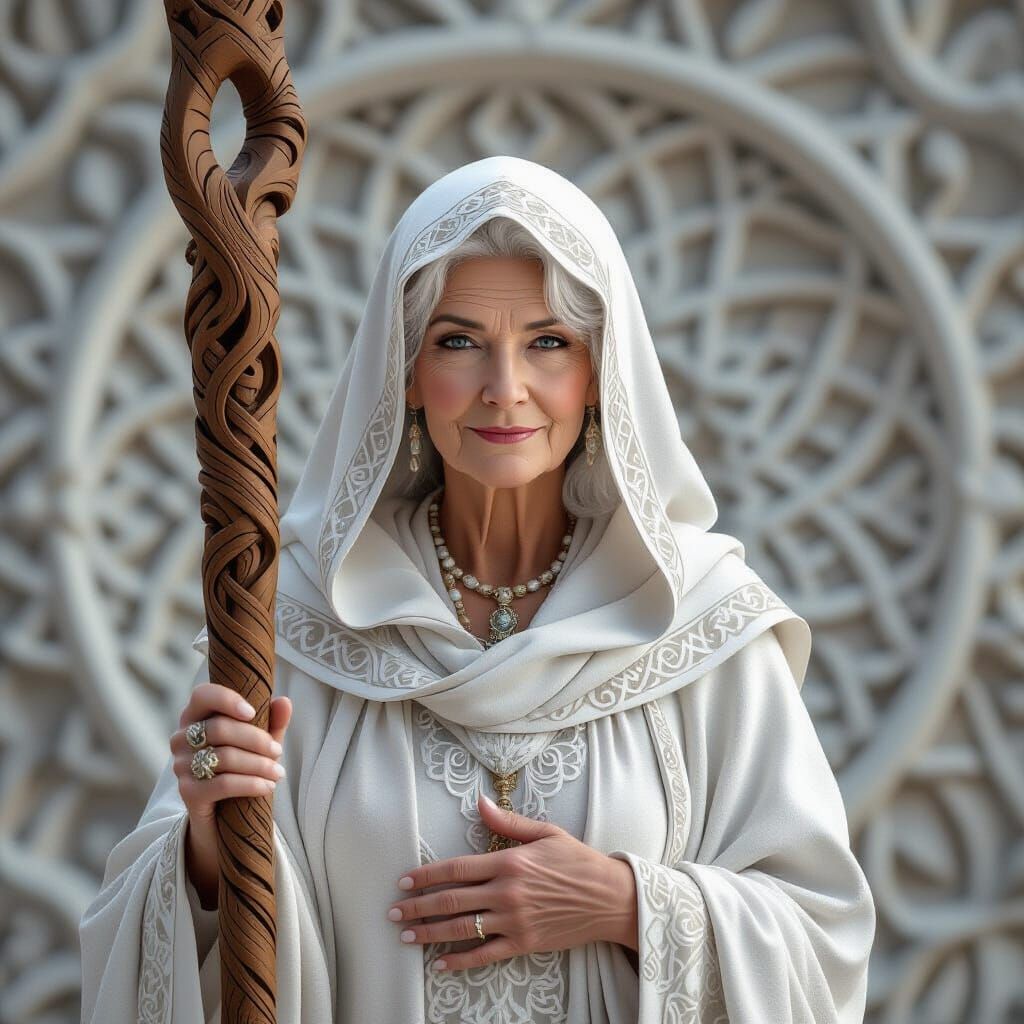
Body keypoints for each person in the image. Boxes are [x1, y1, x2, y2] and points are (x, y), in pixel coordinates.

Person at [79, 155, 876, 1023]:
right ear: (408, 375)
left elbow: (821, 936)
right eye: (459, 342)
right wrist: (207, 838)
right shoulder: (295, 619)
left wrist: (622, 901)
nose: (506, 389)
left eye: (548, 342)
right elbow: (152, 941)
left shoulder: (698, 620)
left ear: (599, 378)